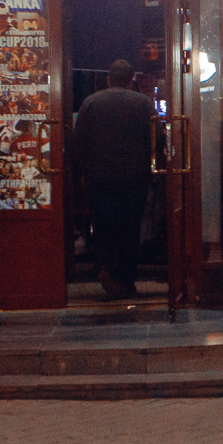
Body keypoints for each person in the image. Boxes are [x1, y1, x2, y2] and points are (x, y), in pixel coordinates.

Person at [73, 59, 156, 298]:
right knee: (130, 229)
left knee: (104, 227)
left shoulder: (91, 103)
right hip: (135, 178)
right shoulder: (144, 103)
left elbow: (78, 143)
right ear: (131, 80)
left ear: (109, 79)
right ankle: (126, 280)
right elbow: (156, 138)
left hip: (101, 178)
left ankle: (105, 269)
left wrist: (86, 171)